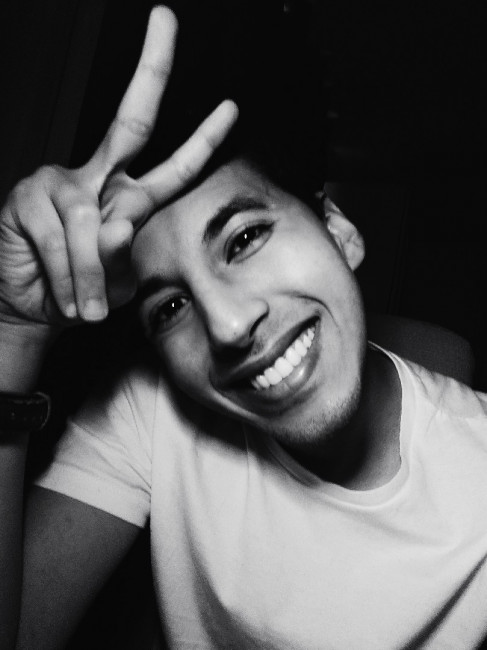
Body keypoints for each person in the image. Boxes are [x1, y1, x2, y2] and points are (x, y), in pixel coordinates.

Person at [1, 6, 487, 650]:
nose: (228, 325)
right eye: (170, 307)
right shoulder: (150, 409)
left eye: (245, 239)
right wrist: (13, 335)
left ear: (339, 232)